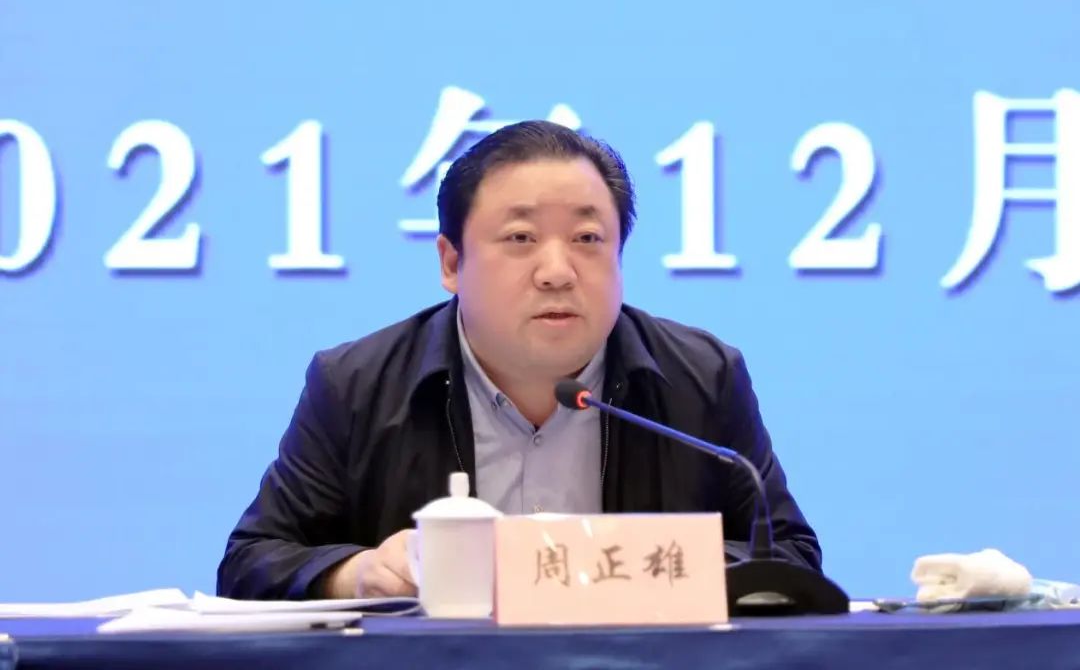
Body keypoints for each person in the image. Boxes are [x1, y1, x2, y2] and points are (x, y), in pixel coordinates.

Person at [217, 120, 822, 600]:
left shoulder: (703, 378)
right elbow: (251, 562)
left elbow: (791, 561)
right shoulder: (356, 384)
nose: (557, 272)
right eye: (520, 239)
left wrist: (647, 567)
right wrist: (357, 574)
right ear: (451, 263)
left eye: (588, 239)